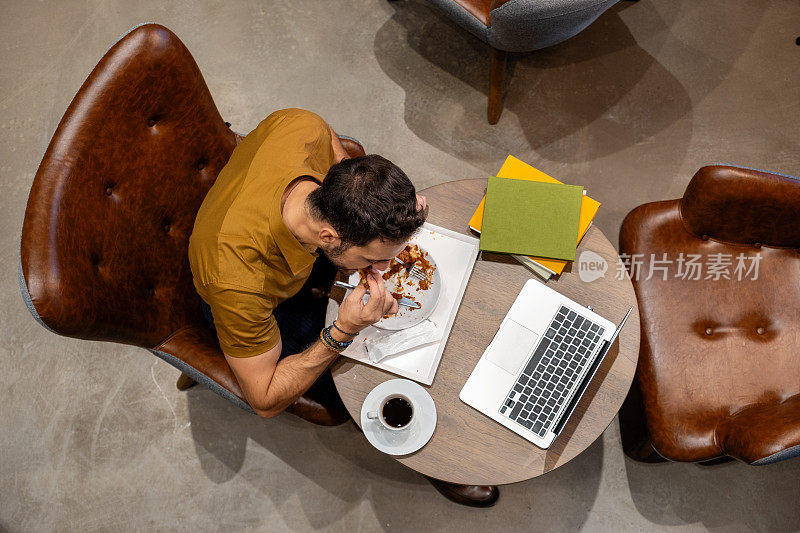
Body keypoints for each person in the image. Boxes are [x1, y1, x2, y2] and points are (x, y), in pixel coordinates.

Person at [188, 108, 498, 507]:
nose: (384, 269)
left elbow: (348, 164)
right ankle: (428, 456)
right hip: (257, 296)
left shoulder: (304, 127)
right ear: (329, 237)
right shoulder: (237, 283)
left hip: (288, 248)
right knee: (370, 378)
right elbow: (263, 399)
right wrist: (341, 332)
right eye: (374, 259)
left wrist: (396, 213)